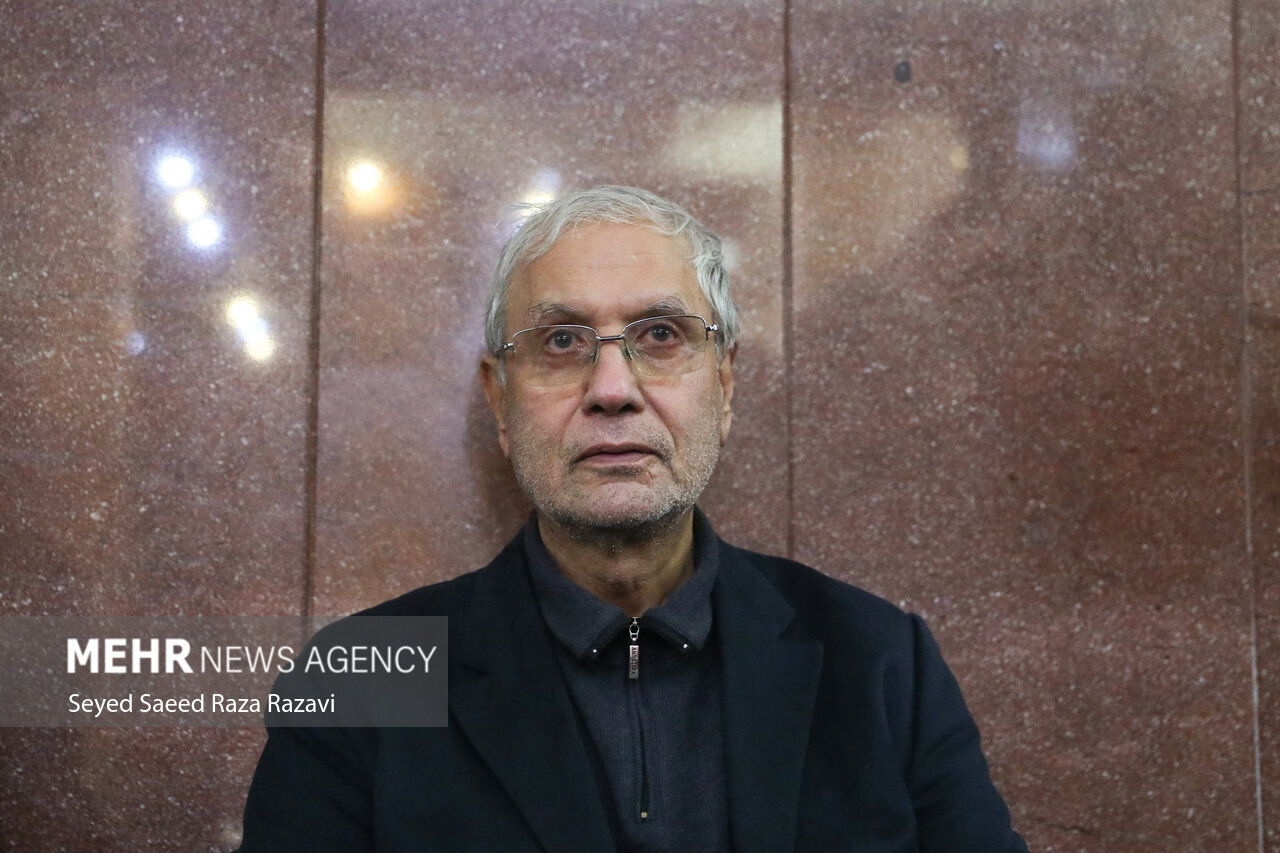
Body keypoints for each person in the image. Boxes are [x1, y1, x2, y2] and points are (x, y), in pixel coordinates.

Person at [237, 185, 1028, 852]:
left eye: (660, 335)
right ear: (499, 398)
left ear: (724, 384)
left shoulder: (883, 665)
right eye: (561, 340)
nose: (612, 389)